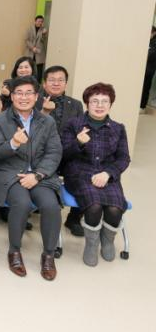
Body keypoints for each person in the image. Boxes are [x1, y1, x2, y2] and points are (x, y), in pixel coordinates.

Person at [0, 76, 62, 281]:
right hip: (8, 173)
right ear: (11, 96)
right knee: (22, 203)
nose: (23, 97)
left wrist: (37, 175)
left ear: (37, 96)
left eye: (29, 93)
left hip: (39, 175)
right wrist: (12, 143)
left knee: (51, 205)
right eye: (19, 93)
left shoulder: (47, 121)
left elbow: (54, 152)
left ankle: (48, 255)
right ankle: (14, 251)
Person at [61, 83, 130, 267]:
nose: (99, 105)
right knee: (94, 207)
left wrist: (108, 173)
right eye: (95, 101)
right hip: (79, 174)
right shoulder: (73, 124)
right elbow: (63, 155)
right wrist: (78, 143)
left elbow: (124, 158)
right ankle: (91, 245)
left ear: (110, 104)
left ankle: (107, 241)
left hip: (107, 176)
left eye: (104, 101)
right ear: (87, 103)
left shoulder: (118, 128)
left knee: (115, 209)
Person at [36, 65, 85, 236]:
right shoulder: (34, 101)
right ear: (44, 83)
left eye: (60, 80)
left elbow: (80, 131)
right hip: (39, 155)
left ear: (66, 83)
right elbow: (30, 131)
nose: (56, 83)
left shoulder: (76, 105)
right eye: (52, 80)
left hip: (66, 154)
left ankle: (74, 218)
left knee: (84, 173)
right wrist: (44, 111)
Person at [24, 15, 48, 80]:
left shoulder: (43, 29)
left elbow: (43, 40)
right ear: (35, 21)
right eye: (39, 21)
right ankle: (28, 81)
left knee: (39, 69)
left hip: (39, 52)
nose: (40, 23)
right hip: (30, 52)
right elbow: (26, 40)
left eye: (41, 21)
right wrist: (32, 48)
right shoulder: (29, 29)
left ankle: (38, 83)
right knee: (29, 67)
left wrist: (44, 34)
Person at [140, 26, 156, 110]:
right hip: (144, 68)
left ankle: (142, 106)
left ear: (154, 33)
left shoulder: (154, 43)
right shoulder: (149, 41)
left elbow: (150, 55)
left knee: (145, 88)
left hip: (149, 69)